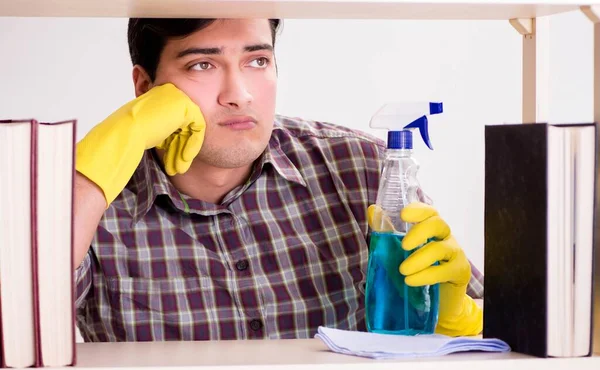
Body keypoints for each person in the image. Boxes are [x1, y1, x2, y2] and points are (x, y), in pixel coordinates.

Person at [74, 18, 484, 342]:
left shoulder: (362, 168)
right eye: (203, 64)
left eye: (257, 61)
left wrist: (459, 318)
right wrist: (90, 173)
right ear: (146, 88)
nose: (240, 94)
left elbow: (515, 334)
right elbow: (18, 321)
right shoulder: (90, 203)